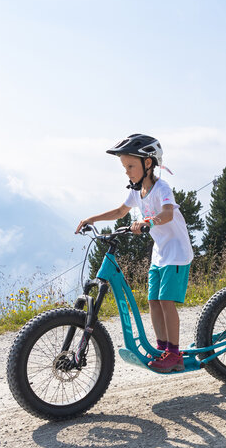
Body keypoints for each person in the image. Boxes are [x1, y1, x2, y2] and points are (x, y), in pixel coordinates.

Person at [75, 134, 194, 373]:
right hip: (160, 254)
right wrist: (92, 219)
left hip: (177, 253)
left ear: (148, 163)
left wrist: (148, 221)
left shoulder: (161, 188)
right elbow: (120, 211)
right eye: (124, 167)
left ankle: (174, 354)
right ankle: (162, 348)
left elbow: (168, 213)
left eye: (130, 166)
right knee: (153, 302)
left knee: (166, 301)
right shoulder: (136, 191)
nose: (127, 172)